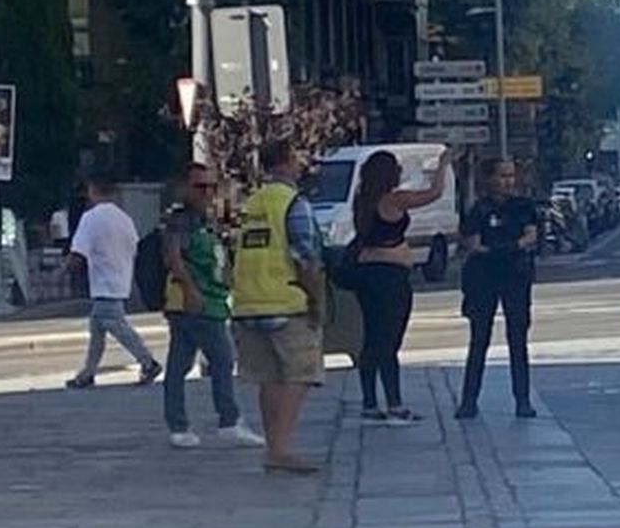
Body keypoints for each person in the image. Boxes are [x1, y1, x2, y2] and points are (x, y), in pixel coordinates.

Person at [231, 139, 327, 474]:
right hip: (288, 301)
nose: (302, 163)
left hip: (248, 302)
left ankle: (273, 447)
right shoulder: (293, 203)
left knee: (268, 378)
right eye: (297, 157)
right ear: (286, 162)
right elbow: (305, 256)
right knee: (299, 375)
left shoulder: (251, 203)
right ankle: (282, 449)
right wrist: (316, 299)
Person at [161, 162, 266, 449]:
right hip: (196, 301)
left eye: (211, 186)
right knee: (221, 359)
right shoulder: (181, 220)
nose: (207, 192)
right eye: (199, 186)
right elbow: (173, 256)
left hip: (206, 300)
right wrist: (191, 290)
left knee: (180, 363)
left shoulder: (207, 219)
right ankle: (228, 420)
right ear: (185, 187)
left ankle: (179, 425)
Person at [350, 147, 451, 425]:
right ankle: (394, 404)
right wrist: (442, 165)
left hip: (366, 273)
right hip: (390, 276)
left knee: (372, 338)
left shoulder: (362, 200)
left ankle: (370, 403)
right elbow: (434, 194)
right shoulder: (394, 199)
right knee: (389, 340)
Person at [455, 157, 538, 420]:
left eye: (511, 175)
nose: (508, 181)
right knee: (479, 338)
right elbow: (472, 242)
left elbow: (531, 234)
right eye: (502, 176)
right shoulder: (479, 208)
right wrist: (497, 249)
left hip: (515, 275)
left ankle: (522, 400)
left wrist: (510, 248)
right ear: (489, 178)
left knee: (518, 338)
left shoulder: (523, 206)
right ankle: (469, 401)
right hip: (484, 276)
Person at [66, 173, 161, 389]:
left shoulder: (90, 218)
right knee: (97, 329)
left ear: (92, 190)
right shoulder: (124, 218)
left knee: (117, 326)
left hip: (103, 283)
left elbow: (78, 252)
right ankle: (88, 373)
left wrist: (65, 268)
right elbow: (134, 247)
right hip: (121, 280)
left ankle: (148, 361)